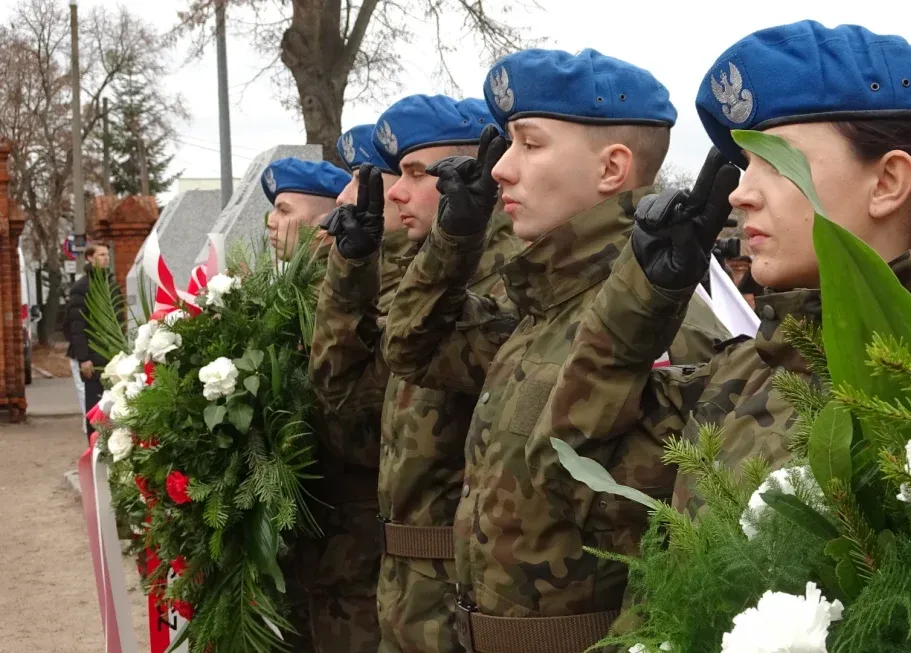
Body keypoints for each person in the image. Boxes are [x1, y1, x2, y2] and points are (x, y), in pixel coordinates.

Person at [537, 19, 911, 534]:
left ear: (888, 183)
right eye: (746, 163)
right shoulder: (750, 370)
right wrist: (640, 301)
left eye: (777, 162)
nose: (740, 193)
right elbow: (569, 479)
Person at [382, 49, 731, 652]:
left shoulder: (665, 327)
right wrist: (453, 238)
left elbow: (666, 557)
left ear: (612, 168)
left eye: (530, 143)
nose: (500, 169)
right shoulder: (548, 306)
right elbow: (413, 347)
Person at [313, 95, 522, 653]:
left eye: (414, 173)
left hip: (460, 591)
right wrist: (350, 271)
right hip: (407, 587)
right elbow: (348, 407)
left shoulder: (507, 281)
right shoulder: (427, 280)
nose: (395, 193)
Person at [261, 156, 382, 653]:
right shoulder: (279, 298)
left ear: (324, 226)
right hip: (308, 525)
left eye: (285, 210)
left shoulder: (353, 298)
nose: (270, 222)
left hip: (351, 525)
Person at [65, 241, 122, 437]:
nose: (106, 259)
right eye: (101, 255)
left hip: (111, 354)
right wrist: (83, 358)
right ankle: (94, 443)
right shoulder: (81, 287)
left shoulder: (111, 284)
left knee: (114, 404)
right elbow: (76, 326)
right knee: (93, 405)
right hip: (91, 355)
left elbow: (118, 320)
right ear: (89, 258)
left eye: (107, 255)